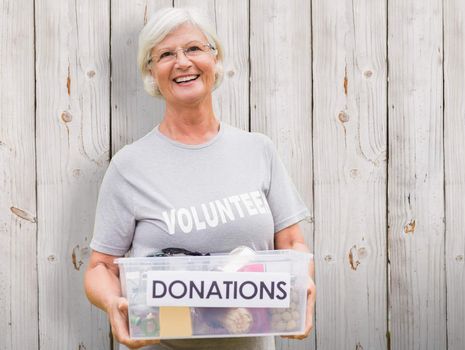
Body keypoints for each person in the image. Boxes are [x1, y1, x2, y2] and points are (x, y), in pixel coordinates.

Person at [83, 7, 315, 350]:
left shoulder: (258, 150)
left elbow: (293, 244)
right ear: (151, 71)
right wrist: (114, 303)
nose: (182, 62)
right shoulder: (129, 166)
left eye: (193, 48)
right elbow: (100, 267)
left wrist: (304, 287)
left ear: (214, 57)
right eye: (165, 54)